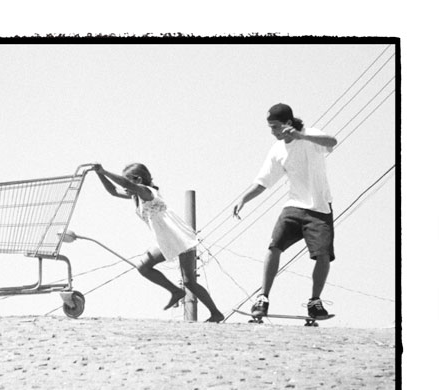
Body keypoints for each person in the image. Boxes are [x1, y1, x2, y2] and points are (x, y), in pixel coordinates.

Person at [233, 103, 338, 319]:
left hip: (319, 208)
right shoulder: (277, 150)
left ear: (288, 124)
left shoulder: (311, 135)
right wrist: (244, 198)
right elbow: (263, 182)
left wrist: (302, 136)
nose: (273, 132)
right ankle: (263, 298)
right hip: (294, 206)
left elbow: (332, 142)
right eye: (270, 127)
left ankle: (315, 302)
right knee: (275, 246)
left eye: (275, 127)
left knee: (323, 254)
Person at [93, 163, 224, 323]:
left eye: (126, 181)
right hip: (167, 239)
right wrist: (100, 174)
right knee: (153, 270)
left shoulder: (146, 192)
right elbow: (113, 191)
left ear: (138, 180)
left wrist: (105, 171)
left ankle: (204, 306)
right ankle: (185, 296)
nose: (125, 187)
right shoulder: (135, 196)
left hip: (176, 237)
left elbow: (127, 184)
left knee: (182, 279)